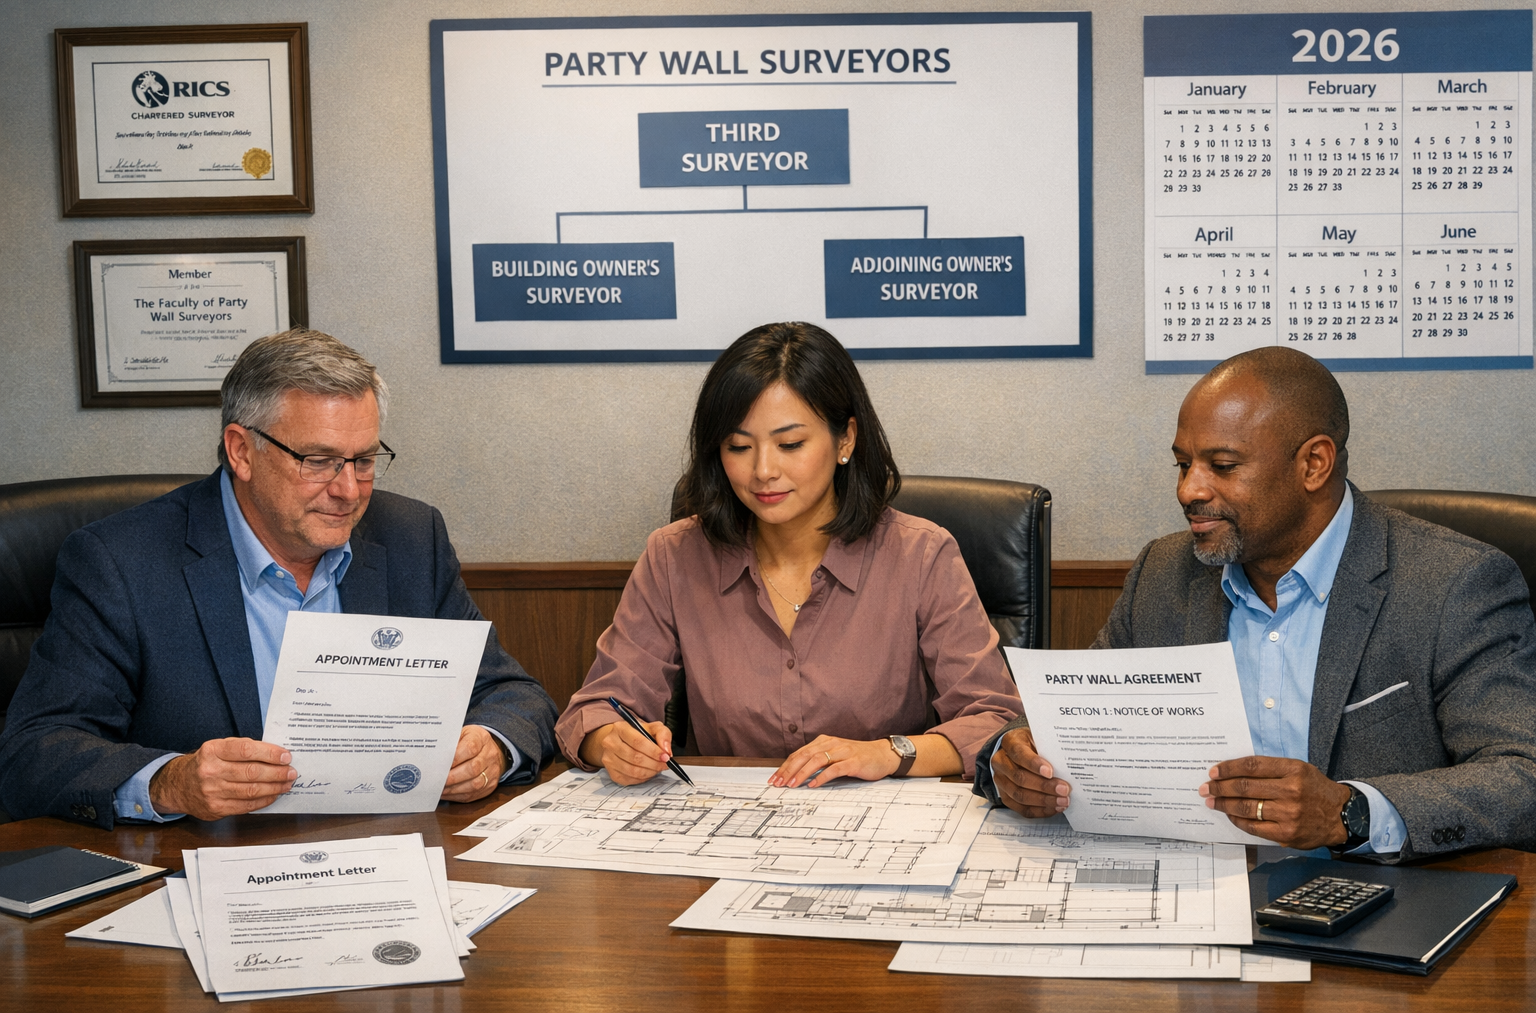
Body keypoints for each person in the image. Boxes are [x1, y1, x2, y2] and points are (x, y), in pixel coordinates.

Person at [977, 346, 1536, 860]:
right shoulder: (1163, 573)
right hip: (1192, 884)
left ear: (1313, 464)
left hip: (1380, 897)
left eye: (1222, 466)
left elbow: (1522, 774)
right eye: (1182, 464)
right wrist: (1011, 758)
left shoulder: (1453, 583)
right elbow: (1070, 720)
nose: (1189, 491)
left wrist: (1349, 812)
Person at [0, 329, 558, 826]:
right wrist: (172, 781)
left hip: (384, 846)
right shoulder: (120, 561)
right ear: (241, 451)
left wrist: (491, 746)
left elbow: (514, 694)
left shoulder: (412, 537)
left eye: (364, 460)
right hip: (205, 860)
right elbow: (33, 752)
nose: (348, 490)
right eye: (318, 461)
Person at [556, 322, 1023, 787]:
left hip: (878, 820)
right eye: (739, 446)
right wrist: (613, 741)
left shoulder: (921, 555)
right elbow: (594, 710)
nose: (763, 470)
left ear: (845, 439)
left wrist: (886, 753)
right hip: (728, 820)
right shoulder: (675, 557)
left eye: (790, 444)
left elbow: (995, 720)